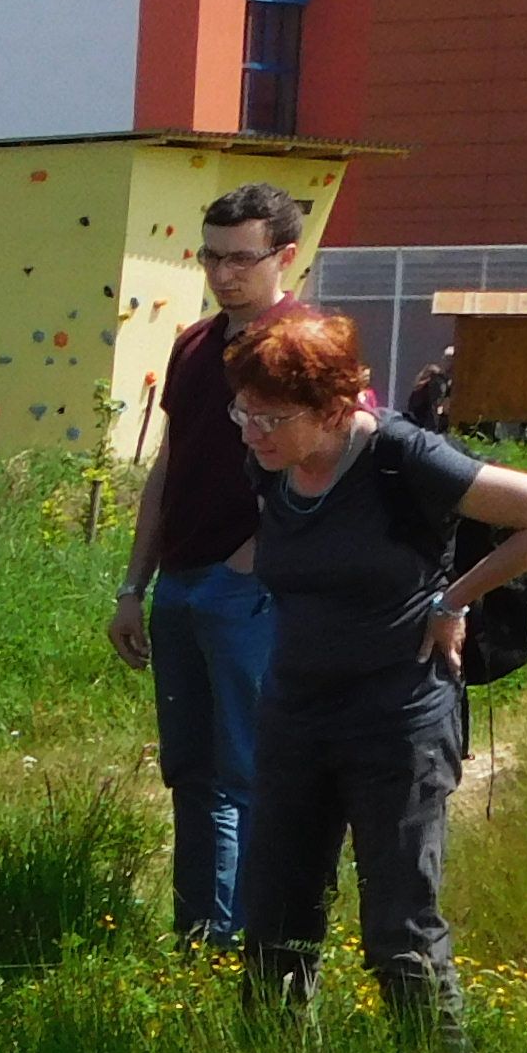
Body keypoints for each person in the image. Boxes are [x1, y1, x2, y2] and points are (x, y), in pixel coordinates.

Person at [223, 311, 527, 1040]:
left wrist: (453, 598)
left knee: (400, 929)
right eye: (244, 411)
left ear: (334, 409)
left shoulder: (403, 455)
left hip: (397, 723)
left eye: (272, 416)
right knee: (273, 923)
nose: (252, 430)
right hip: (294, 716)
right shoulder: (267, 465)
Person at [108, 184, 309, 951]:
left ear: (283, 257)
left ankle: (267, 943)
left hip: (252, 588)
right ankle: (201, 939)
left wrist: (256, 558)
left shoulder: (306, 342)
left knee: (254, 770)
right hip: (180, 582)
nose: (223, 273)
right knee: (192, 771)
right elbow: (169, 464)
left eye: (240, 259)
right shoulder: (193, 343)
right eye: (211, 257)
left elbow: (342, 458)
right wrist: (134, 583)